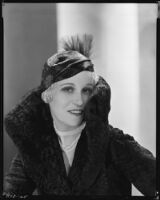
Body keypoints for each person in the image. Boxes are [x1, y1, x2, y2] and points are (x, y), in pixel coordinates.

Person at [3, 34, 156, 197]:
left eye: (87, 90)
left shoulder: (114, 143)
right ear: (47, 95)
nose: (80, 100)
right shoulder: (34, 148)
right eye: (68, 89)